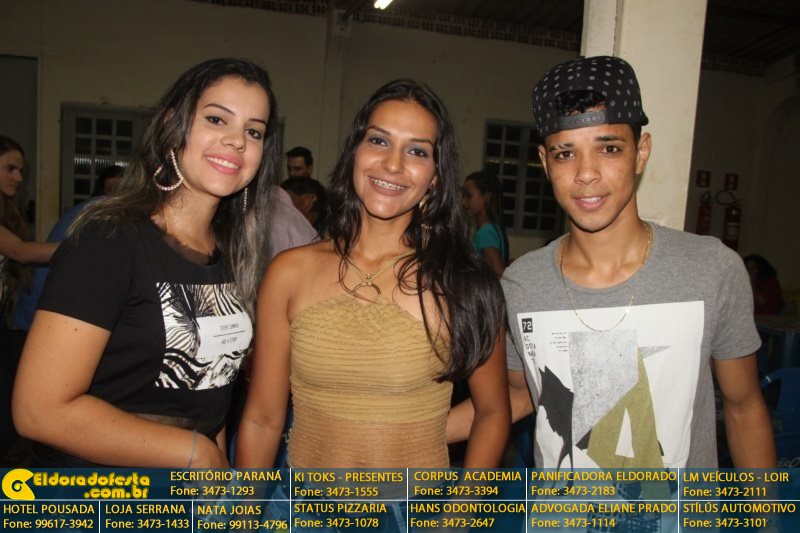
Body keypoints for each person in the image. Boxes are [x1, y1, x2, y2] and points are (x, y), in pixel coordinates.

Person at [450, 55, 775, 470]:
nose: (586, 173)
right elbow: (519, 394)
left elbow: (744, 407)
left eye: (608, 148)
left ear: (641, 152)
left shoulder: (710, 269)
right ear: (545, 163)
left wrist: (767, 506)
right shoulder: (520, 284)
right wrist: (403, 431)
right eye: (565, 154)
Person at [12, 58, 280, 468]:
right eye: (216, 119)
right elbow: (39, 410)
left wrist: (216, 472)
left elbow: (210, 391)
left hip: (186, 491)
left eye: (253, 131)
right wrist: (195, 453)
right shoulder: (109, 239)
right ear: (174, 125)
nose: (237, 141)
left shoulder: (232, 255)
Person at [236, 79, 510, 475]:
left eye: (417, 151)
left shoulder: (462, 282)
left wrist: (464, 505)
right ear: (355, 153)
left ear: (435, 176)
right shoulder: (289, 272)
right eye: (379, 141)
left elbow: (493, 412)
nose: (393, 164)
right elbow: (263, 418)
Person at [13, 164, 126, 335]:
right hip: (42, 314)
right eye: (110, 189)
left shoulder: (93, 210)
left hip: (36, 311)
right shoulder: (103, 213)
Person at [462, 170, 509, 275]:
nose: (464, 202)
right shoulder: (492, 228)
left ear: (486, 197)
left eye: (469, 196)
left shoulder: (485, 232)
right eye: (463, 196)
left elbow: (498, 272)